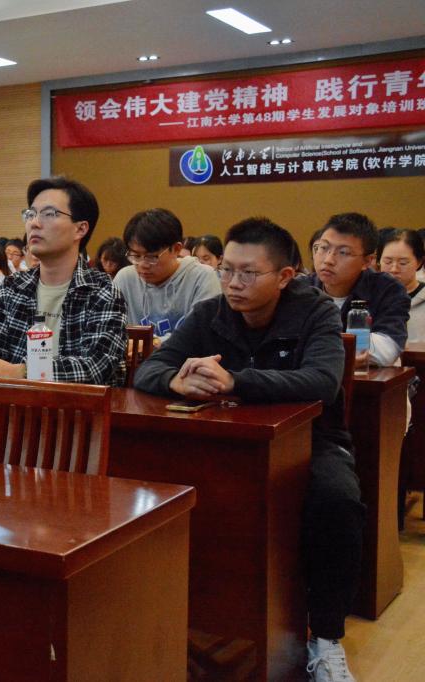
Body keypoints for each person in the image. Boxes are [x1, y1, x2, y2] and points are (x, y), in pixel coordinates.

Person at [133, 217, 364, 682]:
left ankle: (325, 638)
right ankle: (182, 623)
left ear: (284, 276)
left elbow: (323, 381)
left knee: (338, 499)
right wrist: (175, 381)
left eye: (248, 273)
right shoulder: (210, 313)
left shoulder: (315, 312)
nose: (233, 283)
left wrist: (236, 381)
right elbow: (148, 370)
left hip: (311, 442)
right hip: (228, 444)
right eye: (226, 270)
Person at [0, 176, 127, 385]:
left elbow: (96, 367)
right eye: (31, 214)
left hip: (74, 405)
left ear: (80, 229)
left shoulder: (102, 291)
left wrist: (22, 372)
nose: (34, 223)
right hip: (11, 404)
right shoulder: (13, 287)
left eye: (49, 214)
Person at [307, 212, 409, 367]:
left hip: (367, 380)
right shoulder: (300, 289)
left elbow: (388, 349)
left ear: (367, 261)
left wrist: (317, 346)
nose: (328, 260)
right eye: (323, 248)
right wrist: (348, 349)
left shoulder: (387, 289)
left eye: (343, 252)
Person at [113, 208, 220, 341]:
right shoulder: (125, 279)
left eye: (151, 257)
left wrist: (154, 345)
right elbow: (112, 332)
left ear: (176, 249)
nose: (142, 264)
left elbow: (203, 336)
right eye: (135, 256)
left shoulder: (202, 278)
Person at [377, 228, 425, 343]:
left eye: (403, 263)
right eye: (388, 262)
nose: (394, 269)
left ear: (419, 262)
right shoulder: (366, 297)